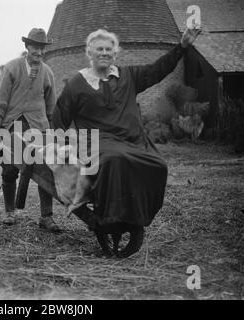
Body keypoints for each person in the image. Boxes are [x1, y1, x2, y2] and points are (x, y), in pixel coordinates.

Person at [52, 27, 201, 253]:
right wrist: (62, 149)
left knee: (158, 165)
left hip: (134, 140)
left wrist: (182, 47)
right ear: (89, 53)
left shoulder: (129, 76)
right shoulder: (76, 83)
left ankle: (136, 217)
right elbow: (60, 118)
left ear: (115, 53)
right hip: (96, 142)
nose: (104, 52)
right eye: (98, 49)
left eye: (108, 49)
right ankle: (108, 219)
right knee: (114, 159)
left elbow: (157, 70)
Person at [0, 28, 60, 232]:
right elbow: (0, 104)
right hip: (13, 127)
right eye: (34, 47)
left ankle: (46, 216)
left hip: (39, 128)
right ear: (27, 47)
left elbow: (51, 108)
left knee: (45, 170)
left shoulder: (48, 73)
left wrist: (53, 134)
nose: (38, 52)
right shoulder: (12, 68)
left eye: (41, 48)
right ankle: (10, 212)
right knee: (10, 168)